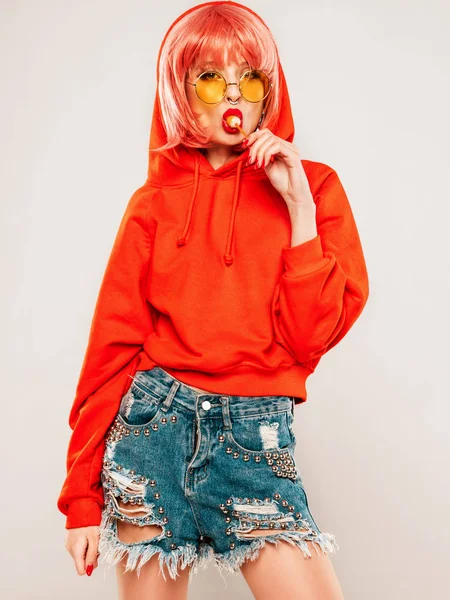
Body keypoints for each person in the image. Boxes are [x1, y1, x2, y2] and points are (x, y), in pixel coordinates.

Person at [58, 1, 369, 598]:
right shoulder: (152, 203)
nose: (234, 94)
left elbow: (310, 338)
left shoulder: (317, 188)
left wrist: (298, 206)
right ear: (180, 90)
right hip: (153, 427)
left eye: (249, 77)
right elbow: (110, 349)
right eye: (210, 77)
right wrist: (80, 499)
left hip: (254, 439)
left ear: (269, 88)